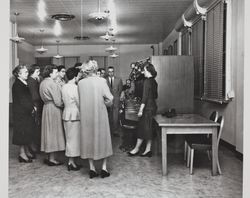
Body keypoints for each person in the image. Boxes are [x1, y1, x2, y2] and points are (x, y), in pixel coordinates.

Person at [78, 60, 113, 179]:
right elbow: (109, 99)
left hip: (86, 115)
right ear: (95, 69)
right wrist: (104, 104)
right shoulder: (102, 81)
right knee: (103, 140)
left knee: (88, 139)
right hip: (100, 114)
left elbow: (79, 100)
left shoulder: (81, 83)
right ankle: (104, 168)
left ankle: (92, 168)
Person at [128, 63, 158, 157]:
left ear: (148, 71)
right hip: (153, 107)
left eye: (144, 70)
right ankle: (148, 150)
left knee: (141, 129)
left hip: (147, 108)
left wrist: (140, 110)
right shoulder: (154, 81)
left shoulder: (147, 81)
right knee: (149, 128)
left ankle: (136, 149)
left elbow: (144, 97)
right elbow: (156, 96)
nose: (143, 72)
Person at [39, 65, 65, 166]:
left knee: (48, 133)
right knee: (54, 133)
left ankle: (49, 156)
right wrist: (65, 105)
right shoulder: (52, 83)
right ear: (50, 73)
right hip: (54, 109)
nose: (57, 74)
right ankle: (52, 159)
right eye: (55, 72)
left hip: (46, 108)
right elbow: (58, 102)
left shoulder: (43, 82)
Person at [12, 65, 36, 163]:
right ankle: (22, 154)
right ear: (19, 74)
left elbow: (27, 99)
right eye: (25, 72)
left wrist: (32, 107)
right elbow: (23, 100)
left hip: (25, 112)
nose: (27, 73)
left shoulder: (23, 82)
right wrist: (32, 108)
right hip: (21, 113)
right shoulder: (18, 85)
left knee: (27, 132)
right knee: (22, 133)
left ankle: (26, 151)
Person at [61, 67, 81, 171]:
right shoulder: (75, 87)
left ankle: (71, 160)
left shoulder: (64, 86)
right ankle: (71, 162)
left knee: (69, 139)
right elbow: (78, 102)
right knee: (74, 140)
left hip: (66, 113)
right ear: (75, 76)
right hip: (74, 114)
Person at [27, 64, 43, 154]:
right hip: (35, 106)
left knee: (36, 126)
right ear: (32, 72)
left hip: (36, 105)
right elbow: (34, 96)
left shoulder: (34, 80)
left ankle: (35, 146)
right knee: (34, 126)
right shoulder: (31, 81)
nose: (39, 73)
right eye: (37, 71)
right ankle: (33, 146)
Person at [106, 66, 123, 137]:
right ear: (108, 72)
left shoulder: (119, 80)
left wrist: (117, 98)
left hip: (116, 100)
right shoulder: (104, 80)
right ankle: (108, 132)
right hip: (107, 101)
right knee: (108, 117)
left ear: (114, 71)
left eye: (112, 71)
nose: (111, 73)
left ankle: (115, 131)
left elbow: (120, 90)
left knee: (116, 117)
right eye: (109, 72)